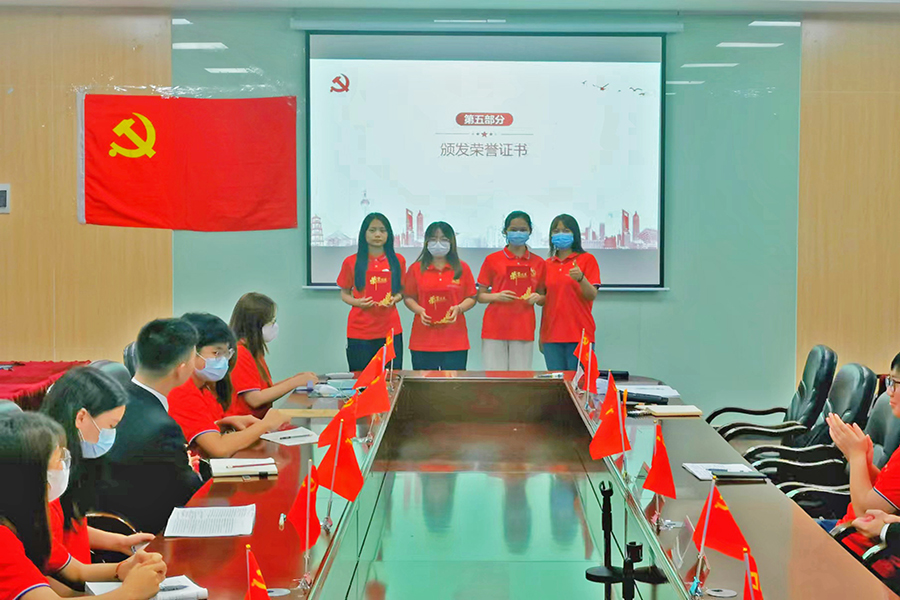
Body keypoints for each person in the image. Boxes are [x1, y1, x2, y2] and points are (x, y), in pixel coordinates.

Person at [0, 412, 166, 600]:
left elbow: (77, 572)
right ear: (32, 475)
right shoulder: (3, 539)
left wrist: (123, 568)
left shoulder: (28, 520)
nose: (64, 465)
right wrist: (129, 593)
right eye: (59, 458)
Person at [96, 318, 204, 534]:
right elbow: (190, 493)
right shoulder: (162, 428)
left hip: (104, 520)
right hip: (145, 532)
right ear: (181, 369)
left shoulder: (114, 400)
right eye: (194, 358)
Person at [40, 368, 154, 564]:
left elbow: (69, 527)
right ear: (81, 418)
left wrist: (121, 543)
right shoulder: (50, 474)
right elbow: (50, 554)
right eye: (111, 426)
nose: (112, 434)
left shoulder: (72, 459)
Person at [168, 312, 291, 458]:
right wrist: (265, 424)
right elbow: (219, 448)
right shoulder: (181, 390)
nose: (223, 361)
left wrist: (224, 423)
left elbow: (201, 428)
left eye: (227, 354)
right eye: (216, 353)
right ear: (190, 352)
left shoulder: (204, 387)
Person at [825, 352, 900, 578]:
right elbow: (887, 496)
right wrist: (863, 463)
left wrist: (857, 456)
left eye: (895, 383)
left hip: (860, 555)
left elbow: (865, 511)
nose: (889, 392)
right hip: (848, 536)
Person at [228, 293, 318, 418]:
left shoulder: (254, 352)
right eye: (271, 322)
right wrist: (294, 382)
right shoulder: (241, 353)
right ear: (256, 325)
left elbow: (264, 390)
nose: (274, 326)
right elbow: (255, 399)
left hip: (258, 421)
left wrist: (295, 379)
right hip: (246, 424)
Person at [476, 211, 546, 371]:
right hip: (495, 328)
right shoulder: (492, 260)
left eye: (523, 229)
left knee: (520, 378)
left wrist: (538, 297)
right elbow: (480, 296)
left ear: (530, 231)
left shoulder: (538, 262)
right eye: (514, 229)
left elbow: (544, 298)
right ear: (505, 231)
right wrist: (497, 296)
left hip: (523, 328)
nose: (518, 233)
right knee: (495, 378)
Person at [403, 221, 477, 370]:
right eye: (433, 239)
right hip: (423, 340)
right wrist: (419, 310)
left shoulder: (462, 268)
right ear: (426, 242)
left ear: (452, 242)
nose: (438, 243)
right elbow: (408, 297)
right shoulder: (415, 269)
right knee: (424, 384)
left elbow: (472, 297)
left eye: (443, 239)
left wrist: (459, 308)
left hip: (455, 340)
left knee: (453, 384)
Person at [338, 213, 406, 371]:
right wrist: (357, 302)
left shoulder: (398, 260)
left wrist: (395, 298)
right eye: (372, 230)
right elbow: (344, 293)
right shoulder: (351, 261)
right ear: (364, 233)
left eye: (382, 230)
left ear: (389, 234)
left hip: (390, 329)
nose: (377, 235)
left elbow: (402, 291)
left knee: (391, 378)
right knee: (361, 378)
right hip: (360, 331)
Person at [538, 214, 601, 371]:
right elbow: (545, 301)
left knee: (579, 384)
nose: (560, 234)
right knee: (556, 385)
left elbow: (592, 295)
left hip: (580, 335)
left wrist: (581, 278)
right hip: (551, 336)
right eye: (556, 231)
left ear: (575, 234)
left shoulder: (587, 259)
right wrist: (541, 335)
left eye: (566, 230)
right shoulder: (546, 264)